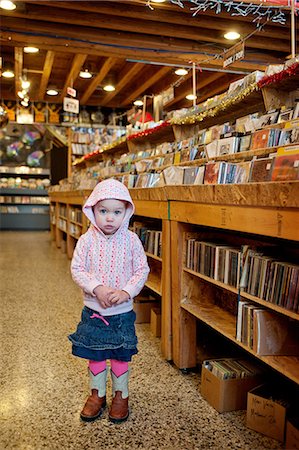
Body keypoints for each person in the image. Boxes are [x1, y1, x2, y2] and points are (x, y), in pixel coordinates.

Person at [69, 178, 150, 423]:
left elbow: (141, 270)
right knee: (95, 354)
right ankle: (97, 395)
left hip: (122, 313)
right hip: (94, 311)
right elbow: (77, 269)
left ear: (126, 212)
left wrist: (126, 291)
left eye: (117, 212)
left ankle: (120, 395)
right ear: (92, 210)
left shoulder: (132, 241)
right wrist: (97, 288)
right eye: (103, 211)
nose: (109, 218)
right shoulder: (86, 240)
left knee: (119, 355)